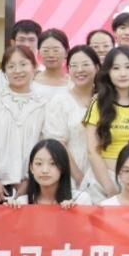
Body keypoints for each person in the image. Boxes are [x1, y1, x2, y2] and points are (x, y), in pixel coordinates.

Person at [0, 45, 48, 204]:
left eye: (23, 64)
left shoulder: (42, 103)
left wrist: (30, 179)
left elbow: (43, 145)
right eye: (11, 66)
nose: (17, 70)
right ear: (4, 72)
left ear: (34, 67)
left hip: (27, 185)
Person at [85, 47, 129, 198]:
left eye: (128, 67)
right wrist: (109, 188)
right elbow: (92, 150)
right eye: (116, 68)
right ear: (108, 73)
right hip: (103, 181)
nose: (123, 73)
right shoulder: (98, 103)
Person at [42, 45, 100, 199]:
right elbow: (58, 143)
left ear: (97, 67)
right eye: (73, 66)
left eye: (85, 64)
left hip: (104, 175)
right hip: (71, 176)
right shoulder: (60, 101)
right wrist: (80, 178)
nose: (79, 70)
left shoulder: (105, 99)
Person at [12, 139, 78, 208]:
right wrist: (11, 209)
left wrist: (74, 210)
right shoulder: (22, 203)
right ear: (31, 168)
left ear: (63, 166)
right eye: (39, 163)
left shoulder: (79, 200)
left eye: (53, 163)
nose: (45, 170)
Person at [0, 19, 43, 92]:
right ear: (13, 43)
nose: (27, 45)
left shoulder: (45, 73)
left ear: (39, 43)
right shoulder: (0, 76)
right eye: (22, 40)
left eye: (31, 40)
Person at [32, 28, 71, 100]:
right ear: (39, 53)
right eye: (46, 50)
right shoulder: (31, 80)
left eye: (56, 50)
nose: (51, 55)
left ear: (66, 52)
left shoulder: (74, 82)